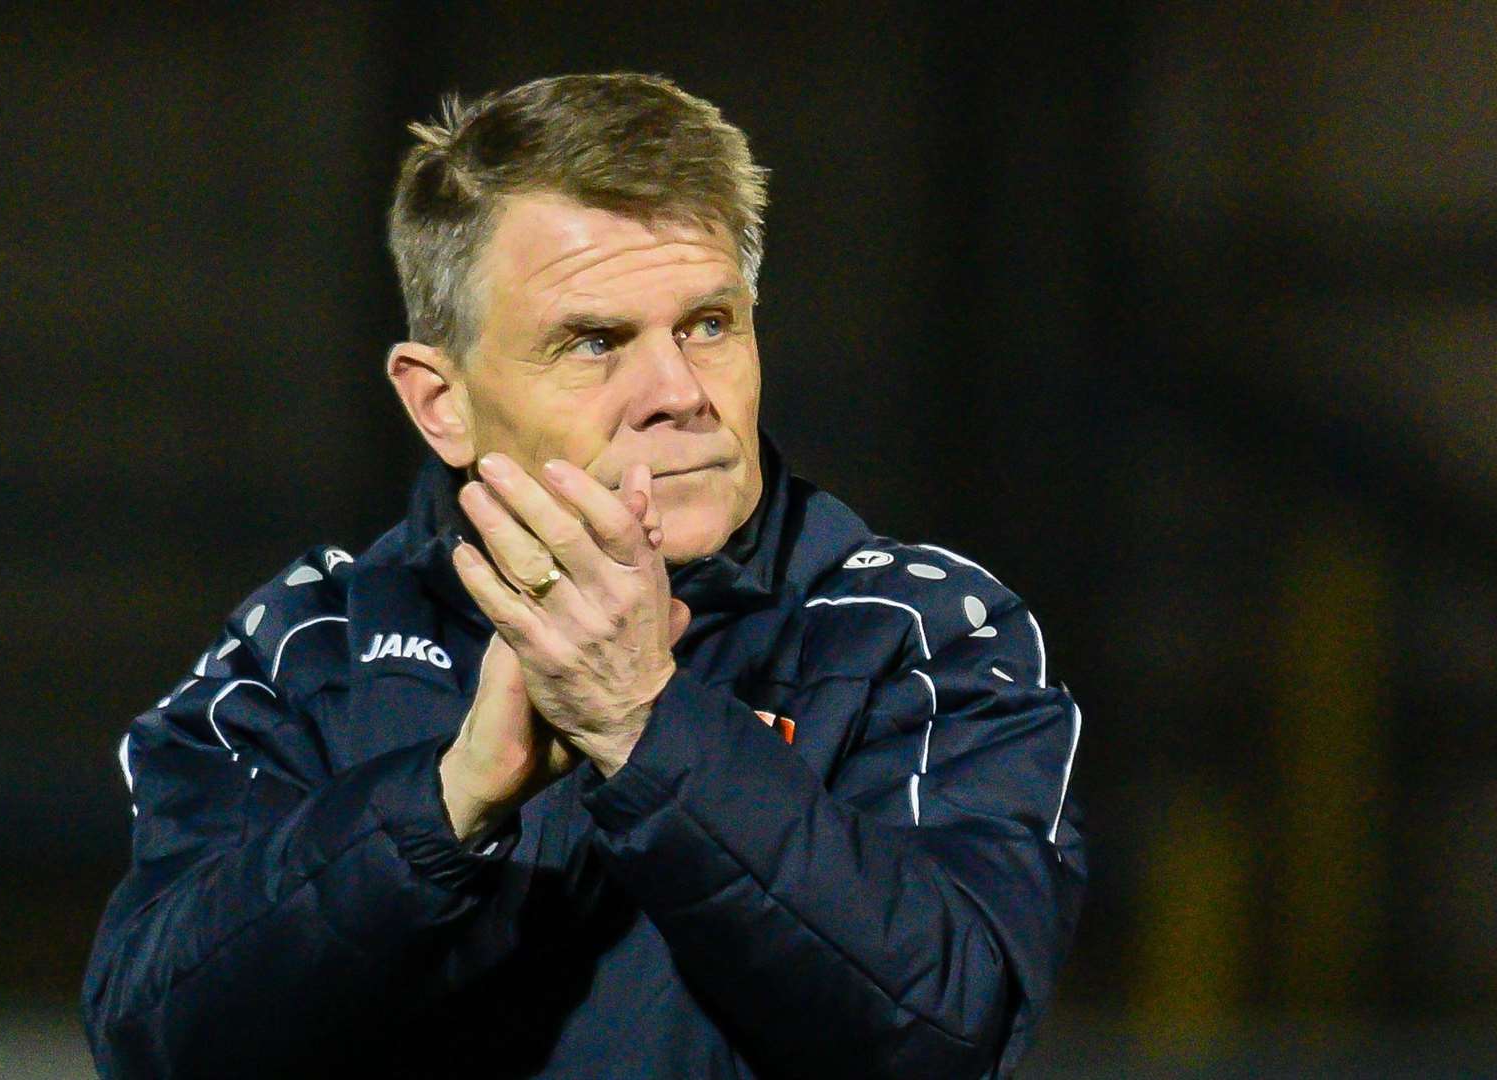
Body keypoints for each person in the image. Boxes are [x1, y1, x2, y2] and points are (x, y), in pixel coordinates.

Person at [81, 72, 1085, 1078]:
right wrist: (442, 808)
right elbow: (158, 1043)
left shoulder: (914, 636)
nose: (677, 394)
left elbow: (949, 1037)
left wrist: (644, 725)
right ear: (441, 403)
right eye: (594, 342)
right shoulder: (309, 646)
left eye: (707, 324)